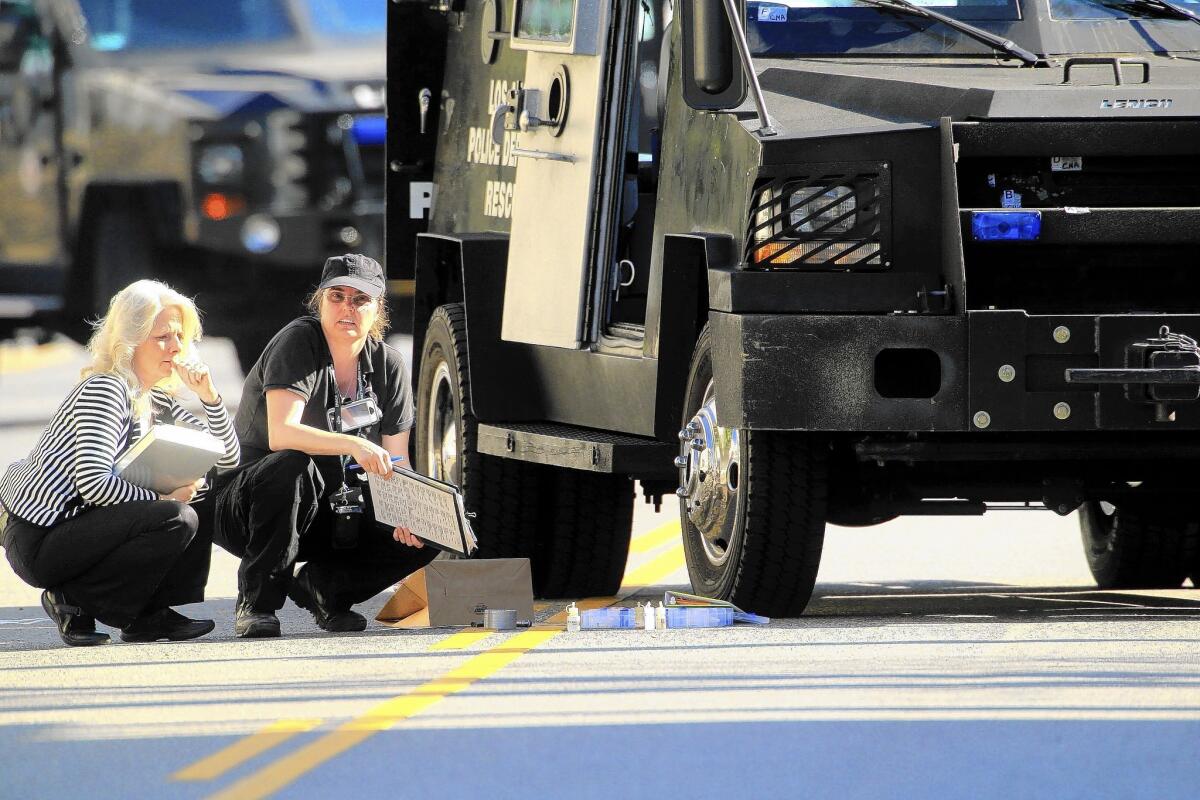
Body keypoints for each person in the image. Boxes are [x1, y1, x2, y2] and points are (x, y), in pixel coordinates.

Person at [0, 280, 240, 646]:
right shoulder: (106, 389)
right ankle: (71, 601)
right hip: (41, 538)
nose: (176, 347)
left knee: (198, 493)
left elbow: (226, 458)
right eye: (162, 337)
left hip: (84, 528)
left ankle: (148, 615)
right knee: (176, 513)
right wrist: (163, 501)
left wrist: (209, 397)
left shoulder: (156, 399)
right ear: (130, 341)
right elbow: (94, 483)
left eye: (180, 336)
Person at [211, 253, 435, 638]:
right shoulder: (298, 342)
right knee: (291, 465)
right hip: (253, 506)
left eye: (360, 299)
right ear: (320, 301)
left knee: (432, 522)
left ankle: (325, 589)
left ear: (378, 307)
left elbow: (397, 459)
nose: (347, 307)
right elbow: (282, 433)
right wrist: (355, 446)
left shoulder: (388, 365)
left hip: (333, 506)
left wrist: (409, 510)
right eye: (337, 296)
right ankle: (257, 602)